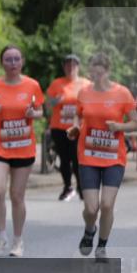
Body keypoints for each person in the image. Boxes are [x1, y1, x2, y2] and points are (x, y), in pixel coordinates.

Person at [68, 53, 137, 262]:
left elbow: (136, 123)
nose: (96, 77)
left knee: (107, 205)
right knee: (91, 208)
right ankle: (90, 229)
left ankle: (101, 247)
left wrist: (120, 126)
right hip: (88, 156)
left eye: (100, 73)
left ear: (108, 71)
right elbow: (78, 114)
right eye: (93, 72)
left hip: (113, 158)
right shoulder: (84, 92)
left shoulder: (122, 93)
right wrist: (74, 127)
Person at [0, 44, 45, 257]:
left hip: (23, 147)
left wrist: (32, 114)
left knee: (17, 196)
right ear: (2, 63)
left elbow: (40, 112)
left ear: (22, 62)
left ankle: (18, 241)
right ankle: (1, 237)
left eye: (16, 59)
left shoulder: (32, 85)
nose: (13, 63)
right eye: (8, 59)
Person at [44, 54, 90, 201]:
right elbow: (47, 104)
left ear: (78, 67)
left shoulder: (86, 84)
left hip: (78, 128)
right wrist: (56, 101)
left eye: (74, 65)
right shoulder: (57, 83)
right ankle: (68, 187)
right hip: (59, 127)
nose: (71, 68)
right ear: (64, 67)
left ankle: (82, 188)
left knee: (77, 158)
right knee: (64, 159)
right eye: (68, 65)